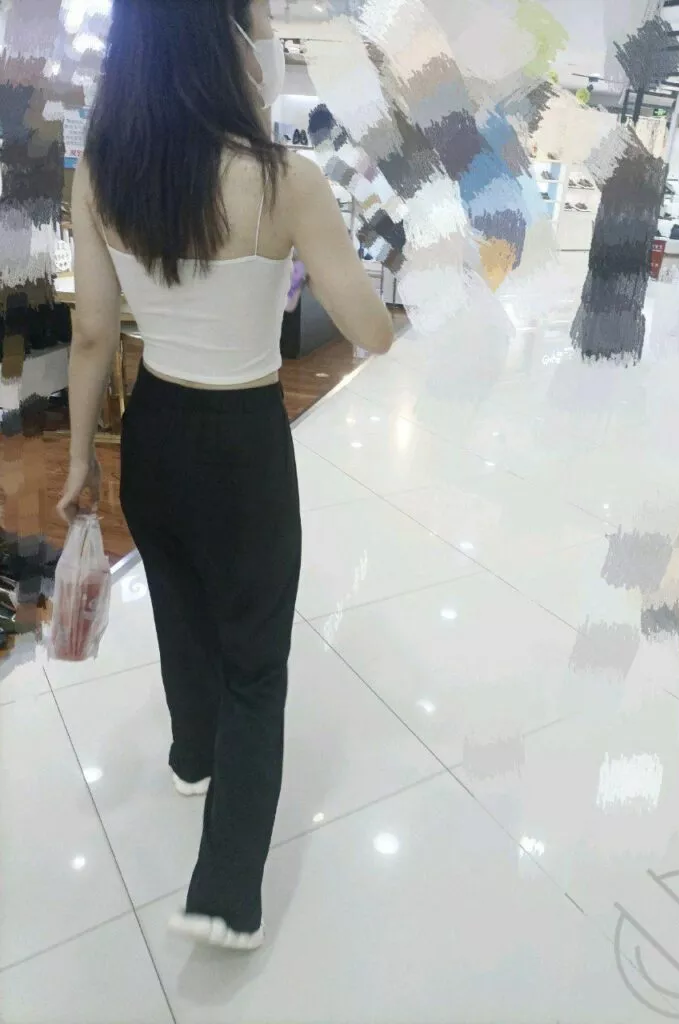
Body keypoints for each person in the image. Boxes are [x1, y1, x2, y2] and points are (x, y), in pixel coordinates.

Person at [57, 0, 394, 951]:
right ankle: (224, 894)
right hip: (243, 438)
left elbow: (92, 333)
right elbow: (371, 331)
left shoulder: (103, 171)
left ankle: (191, 755)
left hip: (153, 429)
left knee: (179, 605)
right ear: (229, 48)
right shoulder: (287, 180)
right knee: (256, 662)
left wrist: (79, 459)